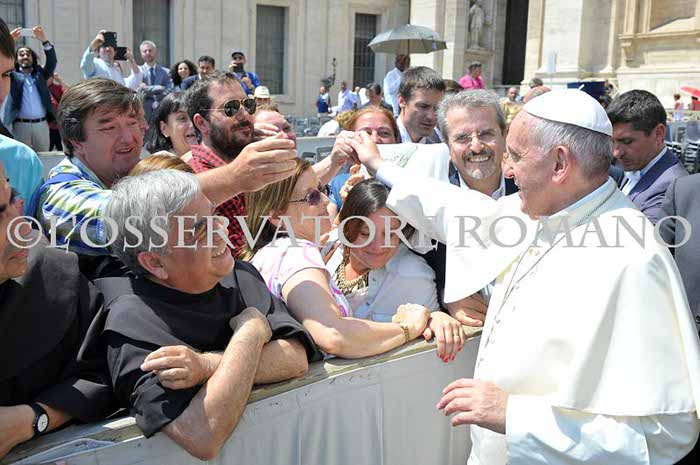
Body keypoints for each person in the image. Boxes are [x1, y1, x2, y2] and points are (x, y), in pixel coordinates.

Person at [354, 88, 700, 464]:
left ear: (559, 164)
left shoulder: (633, 259)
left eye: (516, 156)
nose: (507, 170)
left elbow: (664, 436)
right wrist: (379, 165)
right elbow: (456, 207)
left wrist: (514, 416)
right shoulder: (542, 213)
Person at [81, 169, 319, 460]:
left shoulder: (239, 274)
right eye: (198, 229)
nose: (221, 230)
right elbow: (202, 435)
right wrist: (250, 333)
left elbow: (295, 357)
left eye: (214, 215)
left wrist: (207, 365)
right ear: (155, 263)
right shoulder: (130, 320)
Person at [34, 77, 298, 268]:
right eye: (109, 128)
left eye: (133, 123)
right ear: (76, 140)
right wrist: (235, 178)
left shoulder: (145, 171)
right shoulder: (59, 195)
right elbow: (126, 219)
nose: (128, 138)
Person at [243, 158, 443, 360]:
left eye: (323, 189)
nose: (326, 200)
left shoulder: (268, 253)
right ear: (277, 215)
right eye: (312, 197)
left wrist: (436, 317)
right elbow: (333, 335)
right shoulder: (297, 253)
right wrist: (407, 329)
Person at [0, 161, 115, 460]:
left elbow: (102, 376)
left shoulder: (53, 280)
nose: (22, 227)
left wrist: (33, 418)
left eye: (12, 200)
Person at [184, 72, 314, 258]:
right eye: (231, 108)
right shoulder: (195, 172)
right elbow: (236, 258)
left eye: (248, 105)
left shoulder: (247, 164)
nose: (244, 115)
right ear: (202, 123)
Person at [607, 89, 687, 224]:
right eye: (612, 141)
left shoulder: (670, 188)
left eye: (627, 141)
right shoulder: (638, 165)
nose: (616, 153)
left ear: (658, 134)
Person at [326, 106, 400, 217]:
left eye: (384, 133)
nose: (374, 140)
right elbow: (327, 227)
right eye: (365, 133)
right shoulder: (337, 185)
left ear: (397, 140)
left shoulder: (408, 185)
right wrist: (347, 205)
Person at [2, 26, 56, 152]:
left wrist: (44, 41)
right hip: (20, 126)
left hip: (41, 125)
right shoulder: (12, 75)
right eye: (21, 54)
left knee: (44, 158)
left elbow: (52, 61)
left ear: (33, 57)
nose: (25, 56)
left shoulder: (40, 74)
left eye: (28, 54)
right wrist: (8, 42)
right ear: (16, 59)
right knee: (21, 157)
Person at [397, 66, 445, 144]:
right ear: (402, 101)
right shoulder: (380, 140)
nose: (431, 116)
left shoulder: (437, 145)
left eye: (437, 108)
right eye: (423, 106)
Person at [143, 92, 196, 157]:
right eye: (182, 118)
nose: (192, 124)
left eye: (194, 116)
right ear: (164, 129)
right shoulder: (159, 163)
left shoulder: (207, 158)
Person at [137, 40, 173, 122]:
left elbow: (169, 91)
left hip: (162, 112)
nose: (148, 53)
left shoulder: (166, 72)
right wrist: (159, 88)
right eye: (145, 51)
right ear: (141, 54)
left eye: (150, 50)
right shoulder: (138, 72)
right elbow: (139, 91)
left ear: (155, 52)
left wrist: (147, 88)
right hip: (144, 114)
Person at [47, 73, 65, 151]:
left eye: (49, 77)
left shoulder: (57, 88)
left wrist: (60, 81)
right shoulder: (40, 88)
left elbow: (69, 93)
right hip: (46, 125)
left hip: (57, 125)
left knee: (59, 147)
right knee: (48, 148)